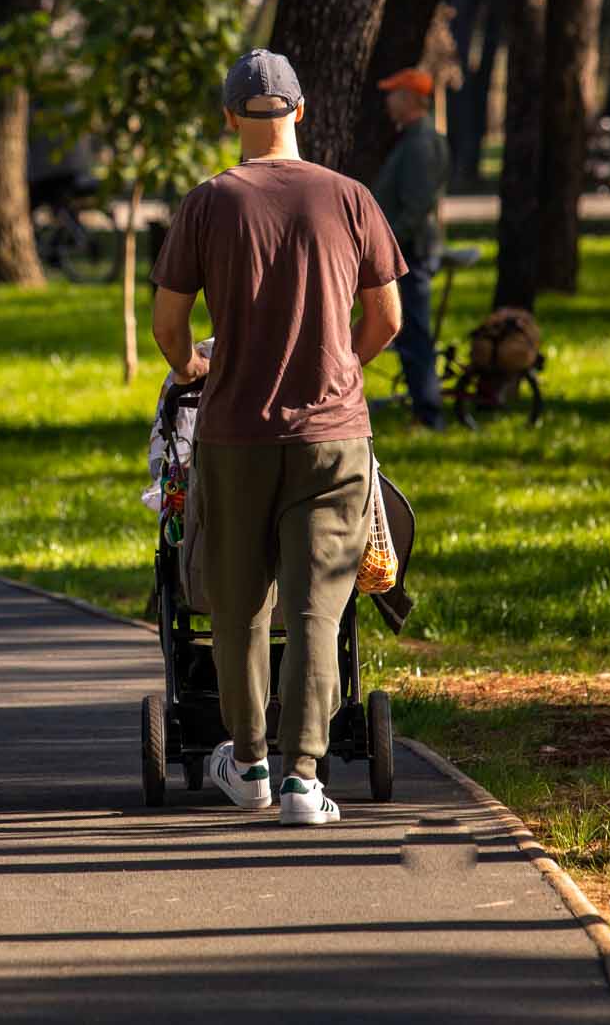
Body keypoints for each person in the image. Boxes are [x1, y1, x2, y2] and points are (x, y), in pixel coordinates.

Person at [151, 49, 406, 826]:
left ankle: (250, 764)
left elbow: (169, 326)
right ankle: (304, 781)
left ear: (230, 117)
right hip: (332, 439)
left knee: (238, 610)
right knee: (317, 613)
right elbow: (388, 320)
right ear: (301, 112)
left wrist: (198, 365)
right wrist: (339, 366)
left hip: (233, 438)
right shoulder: (350, 198)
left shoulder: (208, 203)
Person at [369, 68, 451, 428]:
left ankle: (429, 414)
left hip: (410, 252)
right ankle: (422, 407)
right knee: (411, 331)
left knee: (414, 333)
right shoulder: (415, 138)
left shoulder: (419, 144)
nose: (387, 101)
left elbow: (416, 208)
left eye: (393, 94)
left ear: (410, 99)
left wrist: (383, 246)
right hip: (409, 250)